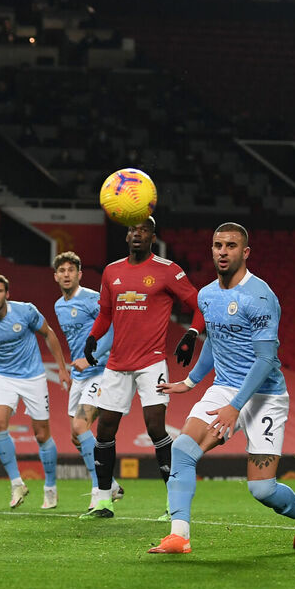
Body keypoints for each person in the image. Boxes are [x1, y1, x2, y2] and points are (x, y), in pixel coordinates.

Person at [150, 222, 295, 553]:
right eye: (218, 245)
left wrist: (236, 406)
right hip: (225, 387)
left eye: (230, 246)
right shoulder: (207, 295)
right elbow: (215, 342)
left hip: (265, 396)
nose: (223, 252)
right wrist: (190, 382)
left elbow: (266, 360)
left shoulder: (260, 296)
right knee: (182, 451)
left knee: (262, 490)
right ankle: (179, 535)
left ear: (245, 252)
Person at [81, 217, 205, 519]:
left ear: (153, 237)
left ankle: (173, 503)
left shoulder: (168, 270)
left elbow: (200, 304)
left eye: (144, 230)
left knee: (155, 427)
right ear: (126, 236)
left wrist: (192, 333)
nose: (137, 234)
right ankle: (104, 501)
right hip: (117, 364)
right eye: (132, 230)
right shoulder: (112, 271)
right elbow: (105, 314)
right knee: (104, 429)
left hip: (152, 362)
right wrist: (92, 337)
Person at [0, 273, 71, 509]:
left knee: (42, 435)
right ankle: (17, 483)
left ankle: (50, 488)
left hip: (34, 377)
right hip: (4, 378)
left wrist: (62, 369)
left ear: (7, 294)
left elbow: (48, 333)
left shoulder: (25, 311)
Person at [51, 252, 123, 510]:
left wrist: (91, 358)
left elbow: (113, 332)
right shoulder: (59, 306)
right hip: (80, 375)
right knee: (76, 436)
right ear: (56, 276)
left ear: (79, 274)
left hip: (101, 371)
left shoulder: (92, 299)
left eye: (71, 270)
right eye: (62, 271)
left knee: (81, 426)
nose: (67, 274)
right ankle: (111, 484)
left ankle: (98, 490)